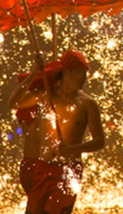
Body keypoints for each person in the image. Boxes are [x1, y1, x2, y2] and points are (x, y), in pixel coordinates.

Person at [14, 50, 105, 214]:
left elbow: (100, 141)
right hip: (43, 167)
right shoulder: (47, 95)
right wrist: (34, 72)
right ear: (67, 73)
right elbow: (14, 103)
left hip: (69, 170)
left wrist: (73, 149)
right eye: (80, 73)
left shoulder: (88, 103)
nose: (84, 78)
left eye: (85, 73)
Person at [7, 58, 62, 206]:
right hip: (35, 166)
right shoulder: (41, 96)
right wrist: (34, 73)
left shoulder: (65, 101)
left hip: (54, 166)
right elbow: (14, 103)